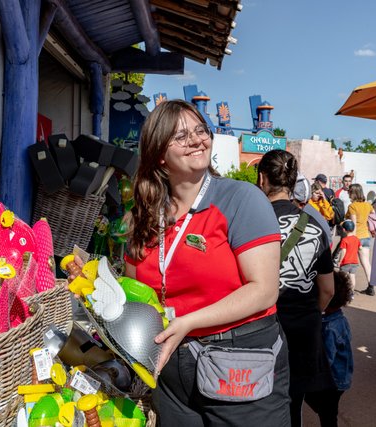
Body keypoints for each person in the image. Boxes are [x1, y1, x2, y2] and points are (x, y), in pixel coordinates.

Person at [123, 100, 291, 427]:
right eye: (182, 136)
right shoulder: (145, 214)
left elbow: (264, 290)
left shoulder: (241, 199)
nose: (197, 140)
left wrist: (187, 321)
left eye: (201, 130)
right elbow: (136, 290)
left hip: (238, 361)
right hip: (170, 369)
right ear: (159, 153)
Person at [257, 149, 335, 427]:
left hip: (260, 329)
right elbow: (327, 290)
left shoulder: (251, 222)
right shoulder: (314, 225)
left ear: (262, 179)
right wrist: (308, 312)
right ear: (293, 184)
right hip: (303, 331)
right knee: (293, 403)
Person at [305, 270, 354, 427]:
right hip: (340, 377)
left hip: (332, 380)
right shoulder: (340, 319)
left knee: (327, 413)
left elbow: (326, 359)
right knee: (327, 410)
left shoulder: (329, 327)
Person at [346, 183, 375, 296]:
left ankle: (350, 290)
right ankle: (371, 286)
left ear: (353, 193)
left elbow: (353, 224)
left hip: (356, 237)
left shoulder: (352, 206)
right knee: (366, 263)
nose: (348, 193)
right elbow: (373, 214)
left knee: (351, 264)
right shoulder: (368, 205)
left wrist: (350, 239)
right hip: (366, 236)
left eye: (349, 191)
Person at [293, 176, 332, 242]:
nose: (318, 195)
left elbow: (329, 216)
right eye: (316, 193)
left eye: (320, 193)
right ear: (311, 193)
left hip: (322, 230)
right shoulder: (307, 204)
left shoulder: (321, 202)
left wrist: (324, 199)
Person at [335, 220, 360, 291]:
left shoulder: (345, 240)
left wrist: (340, 261)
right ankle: (351, 291)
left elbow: (343, 251)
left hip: (345, 262)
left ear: (344, 229)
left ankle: (343, 291)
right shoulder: (356, 239)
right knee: (352, 276)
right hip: (354, 262)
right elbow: (360, 248)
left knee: (343, 277)